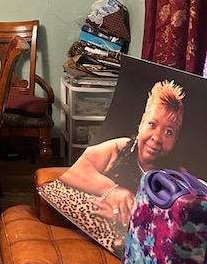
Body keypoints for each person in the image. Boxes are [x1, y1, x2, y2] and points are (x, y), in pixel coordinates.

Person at [58, 80, 185, 227]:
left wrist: (134, 215)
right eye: (152, 124)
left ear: (175, 140)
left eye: (168, 132)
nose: (156, 137)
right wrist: (113, 190)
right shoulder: (120, 148)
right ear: (141, 124)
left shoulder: (177, 177)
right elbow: (74, 170)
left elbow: (178, 224)